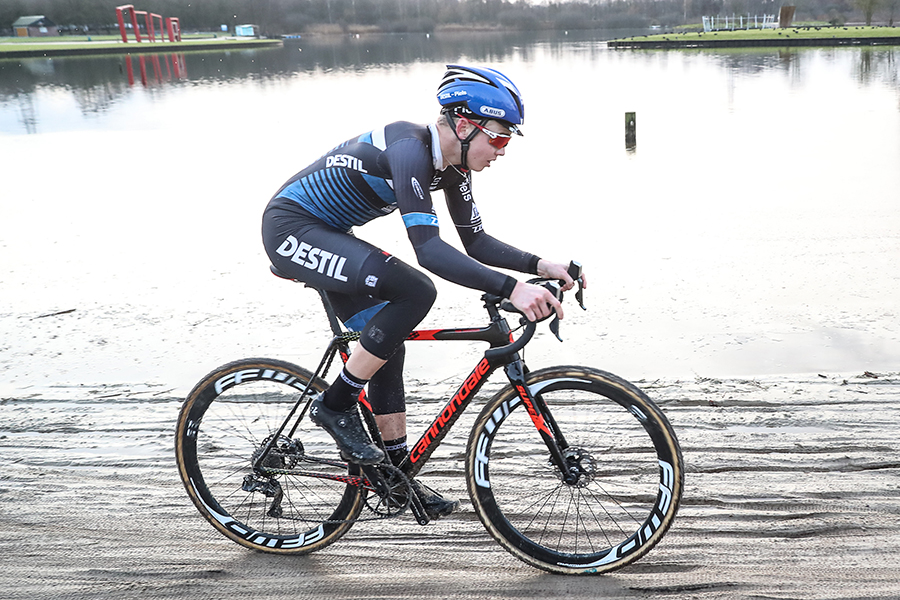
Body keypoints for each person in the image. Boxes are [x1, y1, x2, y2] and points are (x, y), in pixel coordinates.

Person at [262, 65, 583, 519]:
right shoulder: (409, 148)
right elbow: (429, 250)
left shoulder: (449, 167)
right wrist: (512, 288)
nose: (502, 151)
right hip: (292, 229)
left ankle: (393, 476)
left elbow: (476, 242)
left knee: (384, 342)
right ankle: (333, 407)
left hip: (331, 233)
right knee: (416, 290)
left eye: (509, 140)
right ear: (466, 124)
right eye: (500, 138)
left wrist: (540, 265)